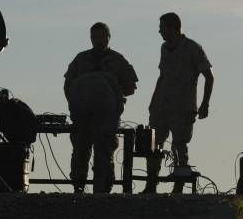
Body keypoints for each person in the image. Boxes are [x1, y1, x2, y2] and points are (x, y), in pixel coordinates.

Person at [143, 12, 213, 194]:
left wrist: (205, 104)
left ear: (172, 28)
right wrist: (153, 101)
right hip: (162, 106)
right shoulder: (164, 49)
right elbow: (162, 76)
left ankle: (179, 184)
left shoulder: (192, 48)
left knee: (179, 145)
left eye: (162, 28)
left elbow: (209, 76)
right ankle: (151, 184)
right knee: (154, 144)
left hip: (183, 107)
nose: (160, 31)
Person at [64, 22, 138, 193]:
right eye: (94, 37)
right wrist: (76, 103)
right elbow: (69, 85)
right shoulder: (81, 59)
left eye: (101, 37)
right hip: (82, 115)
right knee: (80, 150)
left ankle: (104, 189)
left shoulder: (117, 60)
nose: (97, 41)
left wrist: (115, 95)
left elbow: (131, 87)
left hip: (107, 117)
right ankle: (78, 186)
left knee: (104, 152)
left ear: (108, 37)